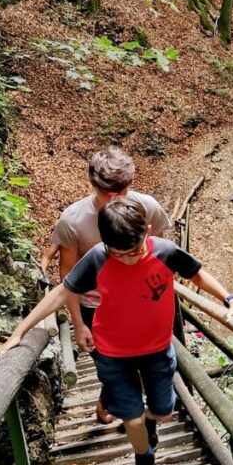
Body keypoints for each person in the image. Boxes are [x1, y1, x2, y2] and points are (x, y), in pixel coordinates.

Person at [0, 197, 233, 465]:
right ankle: (144, 457)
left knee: (164, 409)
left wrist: (230, 300)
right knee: (133, 417)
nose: (129, 258)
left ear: (148, 230)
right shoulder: (96, 258)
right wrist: (20, 332)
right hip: (112, 353)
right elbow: (61, 293)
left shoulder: (165, 252)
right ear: (105, 242)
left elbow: (197, 274)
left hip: (157, 349)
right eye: (119, 253)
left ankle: (147, 425)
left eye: (135, 250)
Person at [47, 147, 171, 425]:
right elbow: (67, 276)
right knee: (113, 366)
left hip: (139, 303)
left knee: (140, 363)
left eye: (121, 192)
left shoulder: (148, 208)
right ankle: (112, 398)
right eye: (106, 193)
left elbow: (159, 256)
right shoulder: (74, 220)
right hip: (96, 306)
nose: (114, 200)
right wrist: (79, 323)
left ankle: (126, 410)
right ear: (93, 185)